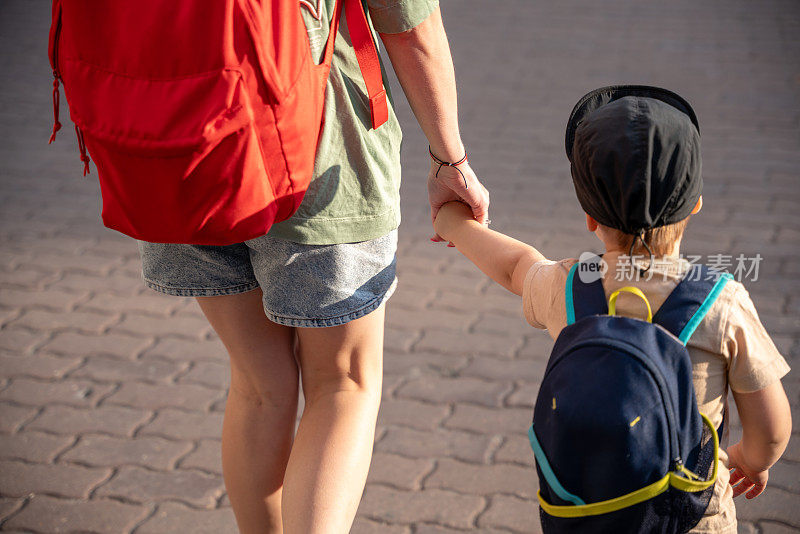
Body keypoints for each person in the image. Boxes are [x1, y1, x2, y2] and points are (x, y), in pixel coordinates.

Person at [137, 2, 489, 533]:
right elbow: (412, 28)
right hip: (317, 155)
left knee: (259, 384)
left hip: (175, 148)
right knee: (343, 383)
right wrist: (450, 160)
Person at [432, 85, 791, 532]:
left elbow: (513, 268)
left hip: (591, 511)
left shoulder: (570, 287)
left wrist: (453, 222)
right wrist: (746, 459)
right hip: (692, 517)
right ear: (695, 204)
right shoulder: (723, 303)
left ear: (589, 217)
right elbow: (772, 431)